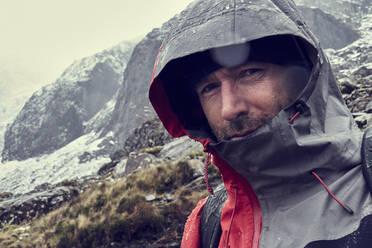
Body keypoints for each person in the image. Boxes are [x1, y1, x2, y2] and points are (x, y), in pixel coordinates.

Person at [148, 0, 371, 247]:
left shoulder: (365, 183)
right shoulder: (207, 227)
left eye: (250, 72)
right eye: (210, 88)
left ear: (304, 76)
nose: (230, 108)